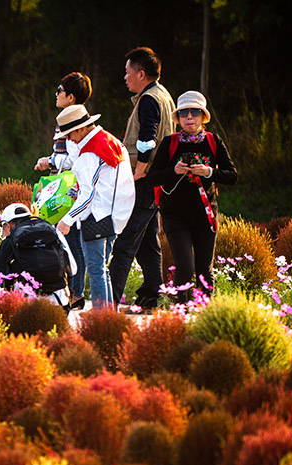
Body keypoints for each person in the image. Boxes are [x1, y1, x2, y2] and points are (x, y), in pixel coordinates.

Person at [145, 91, 237, 302]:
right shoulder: (170, 142)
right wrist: (173, 171)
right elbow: (152, 178)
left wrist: (209, 172)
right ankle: (181, 314)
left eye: (194, 112)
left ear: (203, 117)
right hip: (175, 216)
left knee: (205, 270)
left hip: (205, 216)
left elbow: (232, 176)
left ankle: (203, 315)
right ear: (178, 118)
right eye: (184, 113)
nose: (189, 117)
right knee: (185, 268)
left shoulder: (214, 141)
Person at [110, 46, 176, 311]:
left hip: (144, 181)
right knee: (148, 243)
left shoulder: (149, 99)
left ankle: (107, 303)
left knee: (125, 242)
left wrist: (139, 171)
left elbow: (148, 138)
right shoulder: (163, 95)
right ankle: (150, 297)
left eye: (128, 73)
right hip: (156, 181)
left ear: (141, 73)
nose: (124, 78)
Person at [54, 105, 136, 309]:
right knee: (101, 269)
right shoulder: (109, 140)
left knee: (96, 270)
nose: (69, 139)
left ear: (81, 129)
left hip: (97, 216)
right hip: (115, 212)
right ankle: (107, 314)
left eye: (70, 134)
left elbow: (89, 194)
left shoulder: (89, 153)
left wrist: (67, 220)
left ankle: (102, 317)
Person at [34, 71, 92, 309]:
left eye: (59, 90)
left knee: (72, 242)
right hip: (65, 185)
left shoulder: (74, 122)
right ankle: (68, 290)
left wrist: (50, 162)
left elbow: (73, 158)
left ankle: (75, 293)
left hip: (71, 189)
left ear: (70, 96)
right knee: (64, 241)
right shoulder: (67, 118)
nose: (56, 94)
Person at [0, 202, 76, 308]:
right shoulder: (53, 232)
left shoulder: (9, 242)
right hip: (59, 303)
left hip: (26, 308)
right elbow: (73, 270)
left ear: (6, 225)